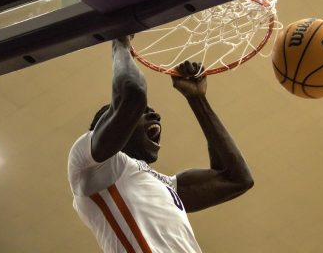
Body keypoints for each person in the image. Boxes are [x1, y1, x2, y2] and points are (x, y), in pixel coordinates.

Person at [68, 36, 254, 252]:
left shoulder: (165, 185)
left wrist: (198, 99)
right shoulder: (92, 167)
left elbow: (237, 179)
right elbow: (133, 94)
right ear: (116, 124)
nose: (155, 115)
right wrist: (120, 42)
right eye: (144, 113)